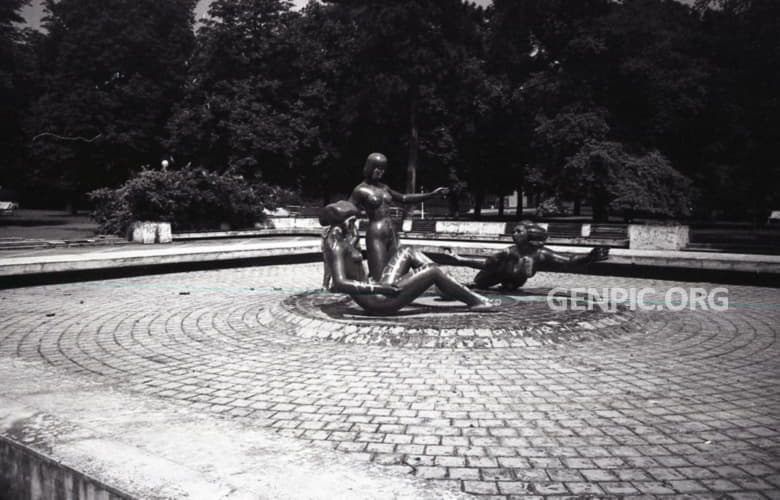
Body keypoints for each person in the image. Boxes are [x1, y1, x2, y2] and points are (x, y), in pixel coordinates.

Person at [320, 200, 498, 315]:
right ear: (345, 222)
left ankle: (447, 286)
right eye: (353, 222)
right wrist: (379, 287)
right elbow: (341, 282)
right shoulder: (336, 246)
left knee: (407, 251)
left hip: (379, 291)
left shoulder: (343, 238)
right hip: (377, 302)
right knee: (433, 270)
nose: (356, 226)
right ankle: (474, 301)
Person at [349, 153, 449, 282]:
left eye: (383, 168)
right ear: (369, 167)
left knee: (395, 272)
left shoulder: (385, 188)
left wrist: (431, 194)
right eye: (377, 167)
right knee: (380, 278)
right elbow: (348, 210)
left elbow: (404, 198)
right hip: (376, 234)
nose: (381, 171)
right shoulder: (360, 190)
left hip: (392, 233)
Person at [445, 221, 610, 290]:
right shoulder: (508, 251)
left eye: (518, 231)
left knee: (521, 269)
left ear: (529, 235)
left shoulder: (541, 254)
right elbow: (486, 264)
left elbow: (567, 262)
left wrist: (590, 257)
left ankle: (509, 283)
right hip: (495, 274)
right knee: (480, 282)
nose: (514, 234)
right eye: (514, 231)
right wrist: (460, 260)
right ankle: (486, 285)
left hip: (516, 280)